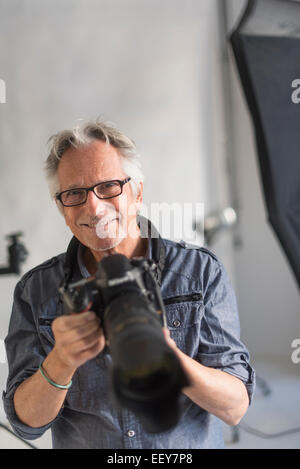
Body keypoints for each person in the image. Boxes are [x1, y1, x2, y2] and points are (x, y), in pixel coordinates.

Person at [3, 119, 255, 449]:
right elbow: (27, 424)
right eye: (74, 193)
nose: (93, 206)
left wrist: (170, 359)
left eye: (108, 186)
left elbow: (235, 407)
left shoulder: (199, 272)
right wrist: (62, 360)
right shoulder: (36, 291)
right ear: (61, 208)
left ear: (137, 193)